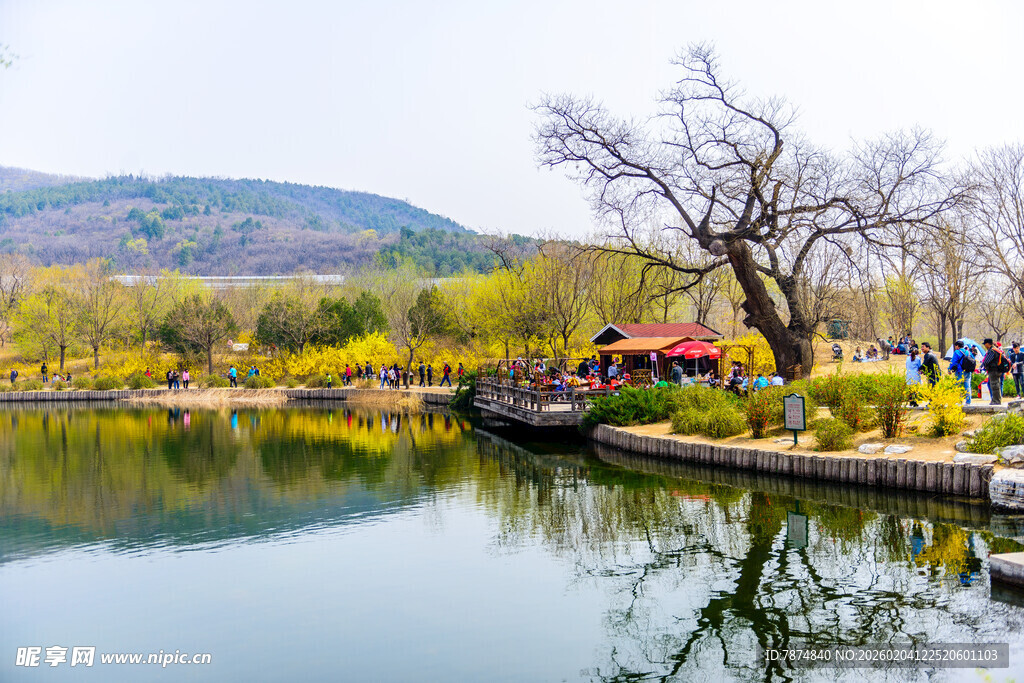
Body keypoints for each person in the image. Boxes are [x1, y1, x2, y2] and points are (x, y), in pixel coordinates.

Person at [982, 338, 1008, 405]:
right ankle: (996, 400)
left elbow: (986, 361)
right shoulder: (997, 349)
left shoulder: (992, 351)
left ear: (988, 344)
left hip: (993, 370)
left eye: (985, 344)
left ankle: (996, 401)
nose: (984, 345)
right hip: (998, 370)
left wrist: (983, 366)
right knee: (996, 385)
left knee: (994, 386)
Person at [948, 340, 972, 405]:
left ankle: (959, 401)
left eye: (955, 346)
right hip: (968, 371)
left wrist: (949, 369)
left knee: (957, 386)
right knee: (967, 386)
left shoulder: (957, 352)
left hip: (959, 371)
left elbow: (953, 361)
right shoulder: (968, 352)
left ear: (957, 346)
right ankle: (968, 401)